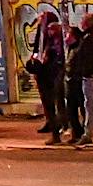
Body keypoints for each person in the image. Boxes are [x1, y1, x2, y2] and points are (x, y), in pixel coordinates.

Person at [67, 15, 93, 147]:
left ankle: (88, 134)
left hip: (90, 74)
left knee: (89, 105)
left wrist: (81, 69)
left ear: (86, 24)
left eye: (83, 21)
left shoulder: (88, 39)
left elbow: (84, 56)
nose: (81, 24)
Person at [29, 10, 66, 141]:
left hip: (51, 71)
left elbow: (58, 52)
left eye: (42, 17)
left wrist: (48, 55)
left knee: (56, 99)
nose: (39, 20)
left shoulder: (54, 34)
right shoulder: (40, 32)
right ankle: (50, 121)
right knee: (45, 98)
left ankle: (59, 124)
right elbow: (36, 47)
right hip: (41, 68)